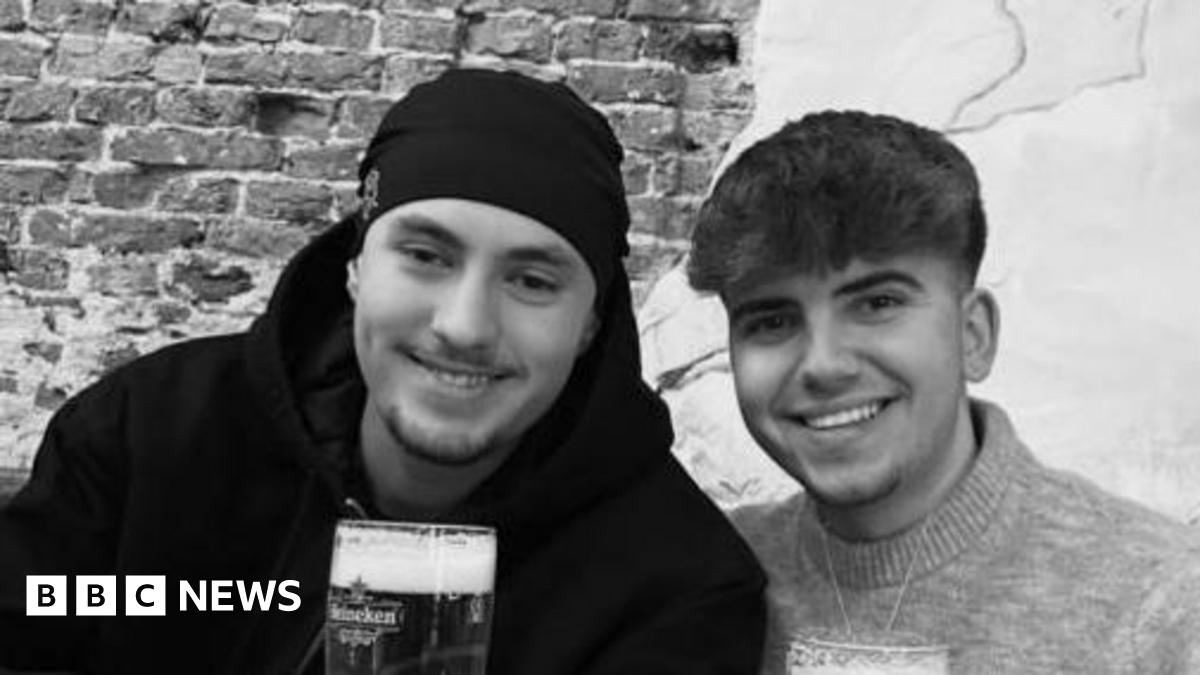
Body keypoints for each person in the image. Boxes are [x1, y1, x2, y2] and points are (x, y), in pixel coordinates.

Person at [0, 68, 766, 674]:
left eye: (532, 281)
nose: (464, 325)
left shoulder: (672, 585)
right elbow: (44, 603)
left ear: (592, 321)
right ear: (357, 266)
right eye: (427, 256)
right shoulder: (155, 433)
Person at [686, 110, 1200, 673]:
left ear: (973, 335)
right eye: (772, 321)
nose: (824, 365)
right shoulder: (708, 579)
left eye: (877, 303)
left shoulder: (1158, 608)